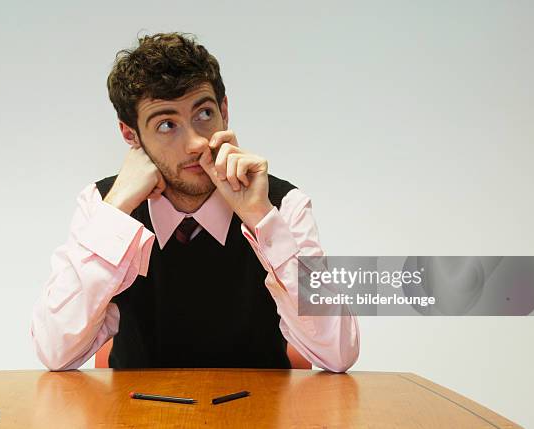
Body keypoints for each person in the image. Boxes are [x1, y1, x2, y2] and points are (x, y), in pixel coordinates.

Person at [31, 32, 359, 372]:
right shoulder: (102, 205)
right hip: (134, 418)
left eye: (203, 114)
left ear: (225, 111)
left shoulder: (282, 204)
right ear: (131, 135)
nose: (194, 143)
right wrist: (116, 210)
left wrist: (260, 218)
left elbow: (339, 354)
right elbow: (55, 352)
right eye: (167, 124)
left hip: (258, 416)